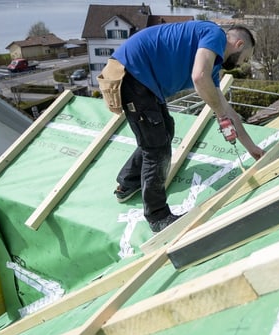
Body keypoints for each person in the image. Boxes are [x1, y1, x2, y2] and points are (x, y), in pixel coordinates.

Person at [107, 21, 265, 233]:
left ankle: (128, 182)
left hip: (143, 79)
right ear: (238, 44)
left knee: (163, 132)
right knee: (157, 146)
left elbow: (229, 112)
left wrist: (251, 147)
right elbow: (198, 77)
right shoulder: (215, 34)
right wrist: (219, 114)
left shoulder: (213, 64)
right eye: (245, 57)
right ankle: (158, 217)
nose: (241, 63)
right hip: (133, 72)